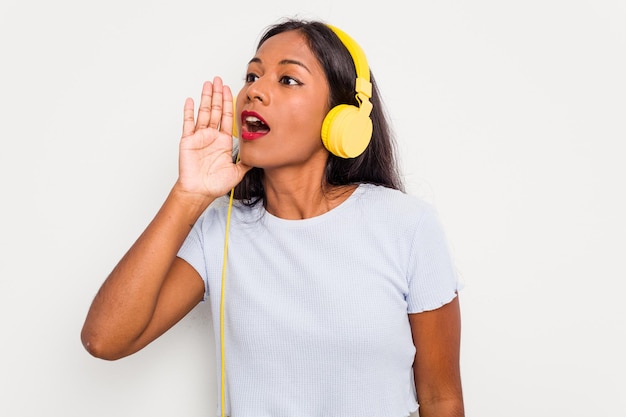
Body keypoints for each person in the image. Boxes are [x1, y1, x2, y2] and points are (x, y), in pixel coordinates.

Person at [81, 18, 465, 417]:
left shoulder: (407, 225)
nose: (255, 91)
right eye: (252, 75)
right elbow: (104, 339)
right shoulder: (220, 230)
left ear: (342, 120)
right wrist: (188, 196)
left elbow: (441, 398)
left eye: (289, 80)